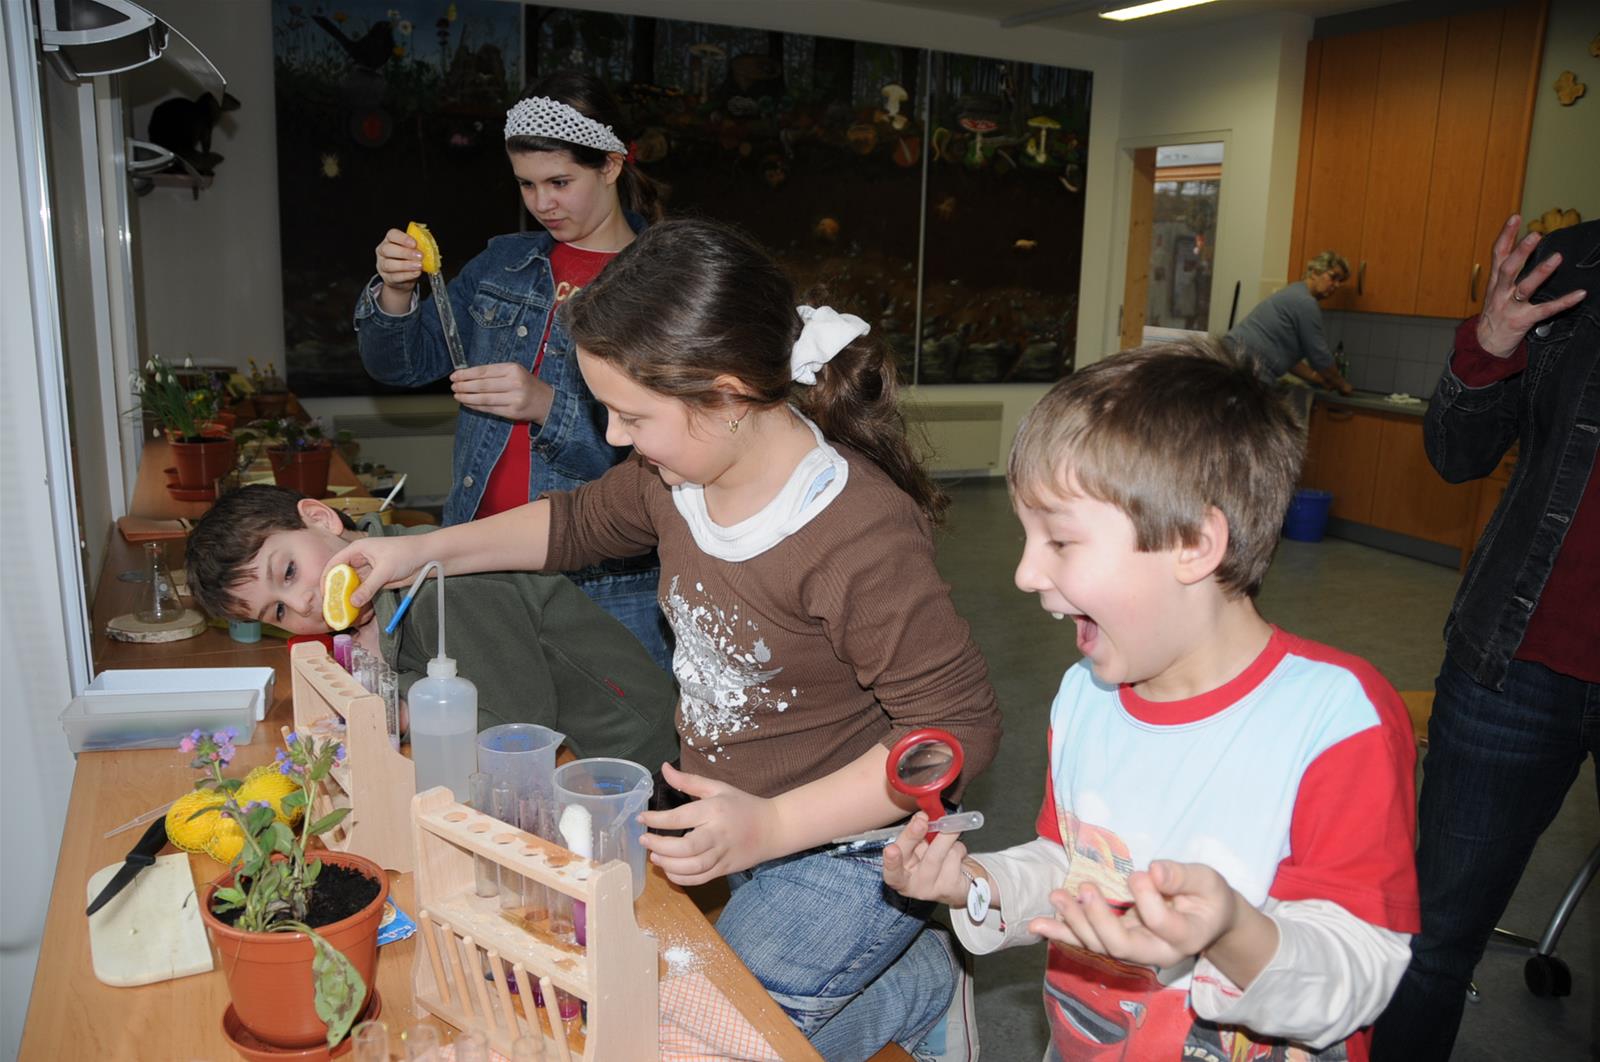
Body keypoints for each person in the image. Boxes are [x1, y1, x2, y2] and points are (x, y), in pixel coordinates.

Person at [326, 218, 1003, 1059]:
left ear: (722, 396)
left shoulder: (857, 535)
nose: (613, 437)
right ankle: (902, 979)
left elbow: (955, 732)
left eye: (629, 415)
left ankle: (917, 989)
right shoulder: (672, 474)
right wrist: (417, 550)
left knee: (708, 1043)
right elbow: (572, 524)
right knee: (677, 1015)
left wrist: (774, 826)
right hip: (745, 828)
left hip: (854, 851)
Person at [883, 341, 1420, 1061]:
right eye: (1026, 536)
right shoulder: (1087, 696)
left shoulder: (1336, 722)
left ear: (1195, 544)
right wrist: (976, 884)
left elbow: (1358, 974)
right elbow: (1070, 866)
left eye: (1061, 540)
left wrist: (1230, 931)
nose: (1023, 572)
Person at [352, 69, 672, 669]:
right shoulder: (506, 264)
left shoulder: (664, 281)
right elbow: (401, 365)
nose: (542, 203)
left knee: (611, 755)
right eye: (526, 184)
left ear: (611, 165)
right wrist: (396, 291)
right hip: (478, 560)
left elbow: (671, 463)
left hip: (609, 586)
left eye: (560, 181)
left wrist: (547, 405)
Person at [1371, 216, 1595, 1061]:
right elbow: (1455, 453)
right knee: (1431, 939)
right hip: (1514, 662)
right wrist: (1492, 339)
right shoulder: (1570, 268)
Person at [185, 484, 679, 769]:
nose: (302, 604)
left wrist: (395, 707)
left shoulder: (445, 587)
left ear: (320, 518)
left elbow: (515, 735)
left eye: (288, 572)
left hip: (631, 762)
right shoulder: (370, 607)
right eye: (277, 613)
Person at [1227, 250, 1354, 395]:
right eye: (1333, 277)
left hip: (1234, 361)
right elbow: (1320, 356)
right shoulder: (1305, 302)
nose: (1336, 285)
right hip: (1244, 368)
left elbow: (1286, 359)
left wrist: (1318, 378)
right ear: (1314, 272)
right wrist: (1342, 384)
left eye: (1340, 281)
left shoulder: (1294, 292)